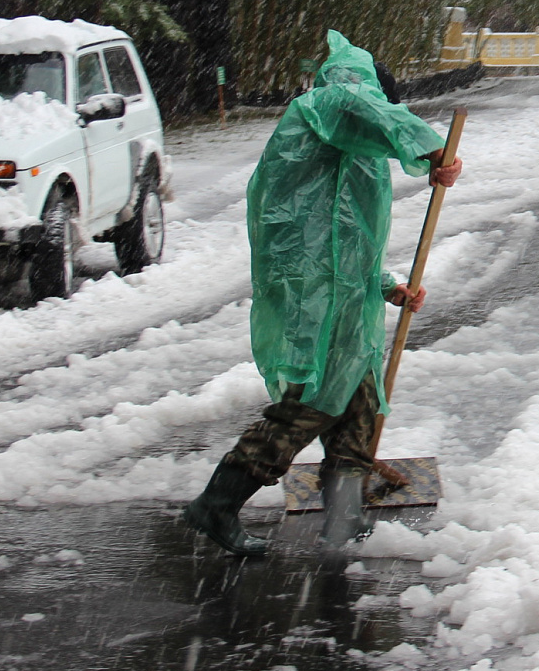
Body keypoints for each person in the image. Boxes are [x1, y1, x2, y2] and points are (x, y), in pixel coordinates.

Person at [183, 32, 463, 556]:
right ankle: (216, 504)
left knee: (357, 404)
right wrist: (431, 151)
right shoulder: (324, 106)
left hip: (346, 293)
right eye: (380, 100)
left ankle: (344, 520)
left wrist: (388, 287)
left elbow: (350, 232)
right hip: (316, 293)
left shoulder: (355, 146)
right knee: (312, 404)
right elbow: (357, 114)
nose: (381, 110)